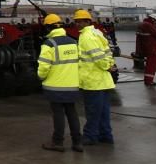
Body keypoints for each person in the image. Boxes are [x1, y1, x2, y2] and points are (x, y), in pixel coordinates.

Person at [37, 14, 82, 152]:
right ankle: (77, 143)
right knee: (72, 113)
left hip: (55, 86)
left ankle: (58, 142)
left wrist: (40, 77)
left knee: (58, 114)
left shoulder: (49, 44)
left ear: (48, 27)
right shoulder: (73, 42)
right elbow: (80, 63)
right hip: (73, 85)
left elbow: (44, 67)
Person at [73, 9, 115, 146]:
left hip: (92, 81)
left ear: (87, 22)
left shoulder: (86, 37)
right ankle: (106, 135)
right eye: (76, 22)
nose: (78, 24)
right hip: (103, 80)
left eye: (80, 21)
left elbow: (97, 56)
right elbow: (107, 51)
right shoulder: (97, 33)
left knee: (92, 111)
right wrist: (110, 64)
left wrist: (106, 65)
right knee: (103, 111)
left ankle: (90, 136)